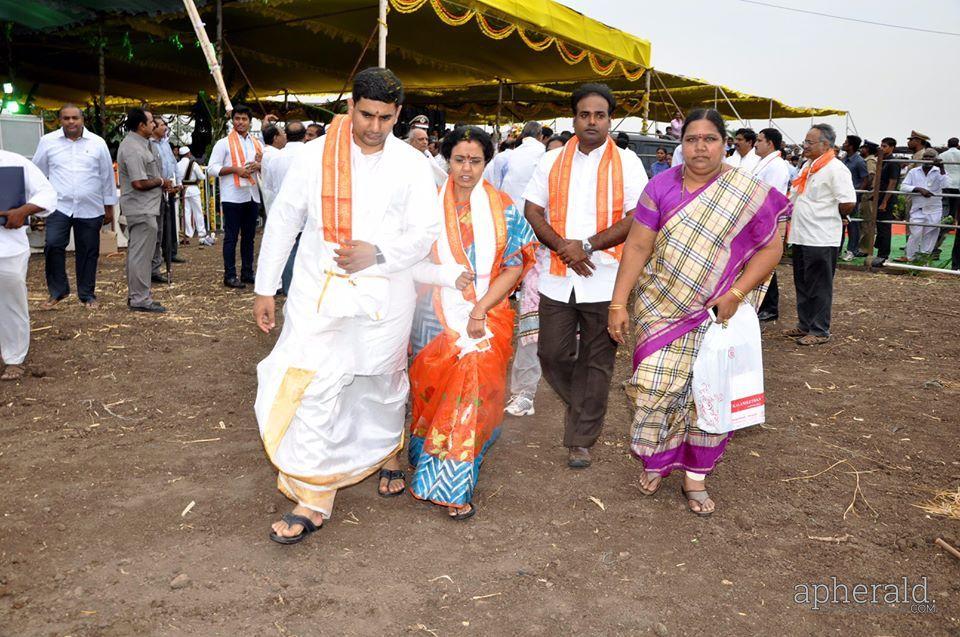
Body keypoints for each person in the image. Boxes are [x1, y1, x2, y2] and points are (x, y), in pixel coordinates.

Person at [251, 67, 441, 544]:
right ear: (350, 107)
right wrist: (265, 287)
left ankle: (383, 451)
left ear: (399, 114)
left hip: (386, 296)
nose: (375, 127)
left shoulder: (414, 165)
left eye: (386, 118)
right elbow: (283, 222)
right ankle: (314, 494)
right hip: (319, 291)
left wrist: (377, 254)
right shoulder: (314, 156)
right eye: (366, 115)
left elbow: (425, 233)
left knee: (380, 381)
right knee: (314, 383)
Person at [607, 108, 790, 516]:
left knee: (708, 393)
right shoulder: (660, 186)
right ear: (681, 144)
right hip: (660, 306)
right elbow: (637, 246)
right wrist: (619, 302)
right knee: (653, 388)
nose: (700, 147)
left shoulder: (746, 191)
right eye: (692, 139)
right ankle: (657, 461)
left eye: (709, 138)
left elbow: (772, 248)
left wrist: (738, 293)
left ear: (725, 143)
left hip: (717, 313)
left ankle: (696, 476)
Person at [408, 126, 536, 519]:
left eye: (475, 161)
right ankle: (426, 452)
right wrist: (446, 278)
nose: (466, 169)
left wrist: (480, 307)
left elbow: (515, 266)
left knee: (470, 393)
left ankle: (452, 481)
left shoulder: (505, 207)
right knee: (432, 392)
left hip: (487, 314)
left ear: (487, 162)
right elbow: (408, 260)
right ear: (448, 159)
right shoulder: (426, 205)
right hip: (433, 313)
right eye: (459, 160)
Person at [522, 83, 647, 468]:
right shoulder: (551, 160)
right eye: (584, 114)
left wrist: (587, 245)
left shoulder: (628, 162)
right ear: (573, 118)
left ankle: (581, 439)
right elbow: (532, 210)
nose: (592, 121)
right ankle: (586, 401)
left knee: (598, 361)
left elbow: (636, 218)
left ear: (610, 119)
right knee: (552, 353)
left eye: (600, 115)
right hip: (558, 276)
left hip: (605, 277)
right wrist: (565, 247)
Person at [33, 104, 117, 309]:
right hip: (58, 206)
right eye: (66, 118)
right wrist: (37, 204)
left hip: (90, 207)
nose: (71, 122)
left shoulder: (97, 143)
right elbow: (36, 173)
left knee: (88, 250)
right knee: (53, 245)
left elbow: (106, 176)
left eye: (75, 118)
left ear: (82, 120)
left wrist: (109, 206)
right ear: (60, 120)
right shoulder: (47, 142)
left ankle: (87, 295)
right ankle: (58, 291)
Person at [783, 124, 856, 345]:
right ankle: (805, 324)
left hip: (821, 236)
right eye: (805, 141)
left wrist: (830, 216)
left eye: (809, 142)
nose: (804, 146)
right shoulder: (808, 166)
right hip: (801, 234)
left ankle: (819, 330)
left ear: (825, 145)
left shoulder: (835, 168)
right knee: (803, 282)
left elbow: (848, 202)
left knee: (819, 285)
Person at [495, 121, 546, 417]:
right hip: (530, 250)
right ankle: (524, 392)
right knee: (530, 323)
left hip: (551, 254)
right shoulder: (538, 160)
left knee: (542, 329)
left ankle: (526, 392)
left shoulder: (507, 158)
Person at [0, 149, 57, 380]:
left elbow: (47, 193)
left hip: (8, 245)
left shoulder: (13, 162)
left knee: (12, 301)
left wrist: (24, 211)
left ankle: (14, 358)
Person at [116, 108, 171, 313]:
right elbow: (138, 182)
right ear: (141, 125)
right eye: (151, 122)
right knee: (140, 255)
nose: (154, 125)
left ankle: (139, 295)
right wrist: (160, 181)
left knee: (141, 254)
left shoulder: (142, 144)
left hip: (147, 207)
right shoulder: (132, 148)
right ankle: (140, 298)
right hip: (141, 208)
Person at [207, 105, 263, 289]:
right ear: (233, 121)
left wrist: (258, 166)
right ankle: (230, 275)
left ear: (250, 121)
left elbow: (265, 164)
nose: (240, 122)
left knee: (249, 237)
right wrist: (235, 170)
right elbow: (211, 169)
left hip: (252, 195)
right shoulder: (223, 143)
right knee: (231, 237)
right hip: (232, 196)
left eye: (244, 119)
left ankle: (247, 272)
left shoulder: (256, 143)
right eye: (237, 119)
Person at [752, 128, 792, 322]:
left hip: (767, 218)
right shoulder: (764, 163)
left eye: (760, 140)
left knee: (766, 262)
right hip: (757, 218)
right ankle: (763, 304)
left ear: (770, 143)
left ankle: (770, 306)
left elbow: (771, 195)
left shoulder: (776, 166)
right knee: (757, 262)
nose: (756, 144)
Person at [265, 121, 308, 296]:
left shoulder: (275, 158)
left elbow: (269, 187)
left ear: (287, 137)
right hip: (307, 212)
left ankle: (289, 288)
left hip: (284, 211)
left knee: (287, 250)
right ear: (305, 136)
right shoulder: (310, 155)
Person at [149, 117, 184, 280]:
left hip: (170, 188)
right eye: (162, 125)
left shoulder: (165, 144)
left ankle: (171, 252)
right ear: (154, 127)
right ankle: (154, 265)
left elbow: (173, 164)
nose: (165, 127)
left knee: (170, 224)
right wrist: (164, 184)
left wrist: (178, 183)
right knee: (158, 228)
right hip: (157, 189)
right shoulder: (149, 144)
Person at [898, 148, 947, 261]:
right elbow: (903, 187)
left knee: (930, 235)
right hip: (917, 208)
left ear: (936, 159)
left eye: (931, 157)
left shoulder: (939, 171)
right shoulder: (914, 172)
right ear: (922, 158)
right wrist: (918, 189)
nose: (928, 159)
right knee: (915, 234)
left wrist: (942, 168)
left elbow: (946, 185)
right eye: (926, 157)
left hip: (934, 209)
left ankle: (923, 261)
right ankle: (911, 259)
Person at [870, 138, 901, 266]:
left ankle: (883, 255)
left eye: (884, 146)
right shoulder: (883, 161)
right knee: (879, 225)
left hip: (885, 199)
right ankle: (880, 251)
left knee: (884, 227)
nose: (881, 148)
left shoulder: (893, 162)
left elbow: (892, 183)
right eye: (881, 146)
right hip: (879, 197)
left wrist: (884, 202)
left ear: (892, 147)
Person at [176, 147, 213, 247]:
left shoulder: (177, 165)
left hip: (184, 191)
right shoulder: (193, 164)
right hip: (194, 189)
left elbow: (177, 179)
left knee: (186, 212)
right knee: (198, 212)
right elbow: (202, 177)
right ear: (188, 154)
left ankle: (188, 233)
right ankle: (201, 234)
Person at [840, 135, 868, 261]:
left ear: (851, 146)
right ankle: (838, 249)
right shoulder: (844, 159)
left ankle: (852, 250)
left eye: (846, 142)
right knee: (840, 223)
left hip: (852, 197)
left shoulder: (859, 161)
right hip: (841, 197)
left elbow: (865, 179)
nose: (844, 144)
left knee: (852, 225)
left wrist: (857, 195)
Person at [937, 137, 960, 269]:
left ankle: (945, 228)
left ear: (947, 144)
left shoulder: (942, 155)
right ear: (957, 144)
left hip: (946, 184)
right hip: (958, 186)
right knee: (956, 211)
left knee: (945, 213)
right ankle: (952, 224)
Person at [853, 141, 879, 259]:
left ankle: (865, 249)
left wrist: (866, 190)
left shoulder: (870, 161)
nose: (861, 150)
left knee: (867, 222)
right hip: (868, 194)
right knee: (864, 221)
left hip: (868, 195)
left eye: (863, 148)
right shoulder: (868, 160)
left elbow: (871, 176)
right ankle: (863, 247)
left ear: (867, 149)